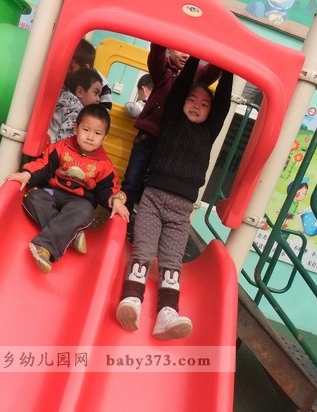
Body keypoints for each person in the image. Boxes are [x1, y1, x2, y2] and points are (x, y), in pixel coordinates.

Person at [115, 55, 233, 340]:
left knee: (171, 261)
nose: (197, 106)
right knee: (143, 250)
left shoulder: (209, 131)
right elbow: (180, 87)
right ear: (181, 102)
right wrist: (195, 56)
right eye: (192, 100)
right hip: (153, 200)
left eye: (204, 104)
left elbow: (224, 103)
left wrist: (229, 69)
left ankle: (167, 314)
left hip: (181, 210)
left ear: (211, 113)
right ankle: (131, 300)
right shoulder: (172, 119)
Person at [7, 104, 130, 273]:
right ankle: (71, 235)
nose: (90, 137)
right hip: (52, 193)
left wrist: (116, 201)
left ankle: (44, 247)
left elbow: (107, 189)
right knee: (33, 197)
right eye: (86, 130)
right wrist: (27, 174)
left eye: (97, 133)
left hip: (78, 202)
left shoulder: (104, 165)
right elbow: (44, 165)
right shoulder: (61, 148)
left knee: (85, 211)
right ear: (76, 128)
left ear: (104, 137)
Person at [121, 44, 222, 216]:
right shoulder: (163, 70)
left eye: (190, 50)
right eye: (181, 48)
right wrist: (162, 41)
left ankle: (141, 217)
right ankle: (123, 214)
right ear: (170, 48)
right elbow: (156, 54)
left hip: (170, 143)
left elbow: (214, 70)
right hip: (149, 136)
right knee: (133, 178)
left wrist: (206, 47)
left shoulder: (197, 74)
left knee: (152, 183)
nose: (186, 55)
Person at [48, 67, 102, 144]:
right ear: (80, 92)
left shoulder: (64, 98)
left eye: (99, 95)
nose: (98, 99)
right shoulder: (76, 110)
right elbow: (65, 139)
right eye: (96, 93)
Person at [68, 38, 112, 111]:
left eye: (71, 67)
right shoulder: (70, 77)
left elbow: (104, 112)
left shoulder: (103, 86)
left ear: (85, 68)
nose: (67, 71)